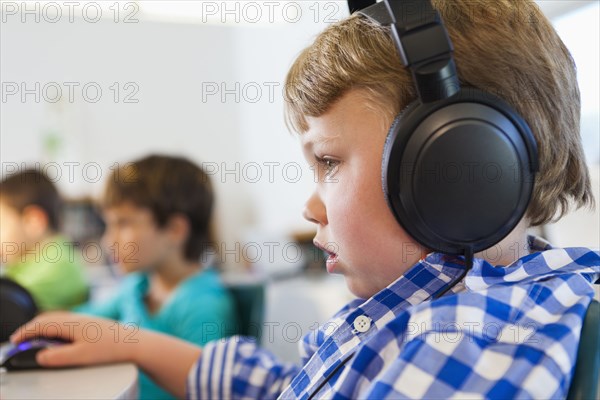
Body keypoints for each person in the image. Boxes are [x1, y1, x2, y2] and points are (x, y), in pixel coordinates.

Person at [11, 1, 600, 399]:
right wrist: (134, 343)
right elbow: (290, 386)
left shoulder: (469, 338)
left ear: (457, 172)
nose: (309, 207)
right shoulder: (418, 311)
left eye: (329, 163)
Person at [73, 155, 236, 400]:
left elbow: (208, 388)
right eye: (109, 225)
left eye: (124, 223)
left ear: (175, 230)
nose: (109, 240)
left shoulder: (203, 305)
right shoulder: (138, 286)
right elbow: (80, 322)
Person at [0, 169, 88, 311]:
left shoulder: (58, 267)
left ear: (34, 222)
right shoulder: (26, 261)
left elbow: (8, 301)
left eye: (1, 224)